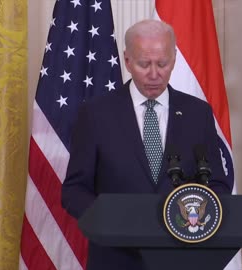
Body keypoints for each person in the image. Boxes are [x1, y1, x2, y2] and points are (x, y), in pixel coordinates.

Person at [61, 19, 232, 270]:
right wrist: (109, 220)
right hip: (115, 258)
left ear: (174, 59)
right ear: (127, 61)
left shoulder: (198, 114)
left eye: (162, 64)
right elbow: (74, 190)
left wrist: (194, 221)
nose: (154, 74)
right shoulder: (96, 114)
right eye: (144, 64)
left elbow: (218, 184)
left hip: (183, 257)